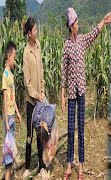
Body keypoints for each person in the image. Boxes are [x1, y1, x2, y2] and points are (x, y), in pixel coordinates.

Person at [61, 8, 111, 180]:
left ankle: (80, 166)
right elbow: (63, 72)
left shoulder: (82, 40)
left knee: (81, 130)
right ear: (70, 26)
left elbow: (94, 33)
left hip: (81, 91)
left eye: (77, 22)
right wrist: (62, 96)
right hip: (71, 93)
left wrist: (103, 22)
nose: (78, 24)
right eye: (76, 23)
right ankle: (69, 164)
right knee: (70, 129)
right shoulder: (67, 46)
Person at [22, 17, 48, 179]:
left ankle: (42, 166)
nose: (37, 32)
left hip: (40, 98)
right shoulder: (26, 53)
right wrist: (36, 94)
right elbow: (27, 81)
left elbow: (42, 71)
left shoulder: (38, 47)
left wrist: (43, 90)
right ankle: (26, 166)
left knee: (41, 133)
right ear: (29, 33)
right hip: (31, 100)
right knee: (30, 134)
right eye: (35, 30)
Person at [2, 41, 21, 180]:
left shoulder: (12, 75)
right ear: (9, 56)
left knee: (11, 147)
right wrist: (6, 121)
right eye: (14, 57)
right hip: (8, 117)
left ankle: (9, 174)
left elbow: (12, 98)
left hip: (12, 115)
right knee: (8, 152)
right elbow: (4, 99)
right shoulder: (5, 75)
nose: (15, 60)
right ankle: (8, 175)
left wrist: (18, 112)